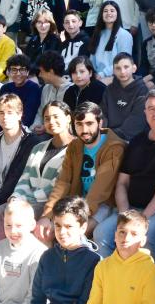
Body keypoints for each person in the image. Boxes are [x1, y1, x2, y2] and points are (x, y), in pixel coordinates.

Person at [96, 90, 155, 269]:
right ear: (145, 113)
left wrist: (143, 218)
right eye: (151, 108)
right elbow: (122, 182)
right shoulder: (137, 141)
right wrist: (125, 214)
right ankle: (112, 284)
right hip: (131, 209)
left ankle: (152, 292)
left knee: (146, 235)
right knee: (102, 233)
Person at [39, 102, 125, 241]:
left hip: (103, 203)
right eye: (79, 124)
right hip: (77, 201)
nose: (84, 130)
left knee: (76, 235)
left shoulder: (114, 148)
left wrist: (77, 217)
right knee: (49, 230)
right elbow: (63, 182)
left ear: (100, 122)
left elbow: (100, 190)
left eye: (89, 123)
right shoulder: (74, 146)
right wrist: (47, 214)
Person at [0, 94, 45, 237]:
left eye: (10, 112)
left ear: (19, 115)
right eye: (1, 113)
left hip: (15, 196)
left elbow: (18, 178)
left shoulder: (31, 142)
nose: (5, 117)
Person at [12, 101, 74, 223]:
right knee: (0, 211)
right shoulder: (38, 147)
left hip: (52, 204)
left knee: (18, 217)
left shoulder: (75, 149)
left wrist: (27, 200)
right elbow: (25, 177)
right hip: (27, 200)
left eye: (56, 117)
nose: (51, 122)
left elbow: (58, 185)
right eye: (47, 118)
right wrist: (16, 197)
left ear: (68, 118)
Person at [101, 53, 149, 141]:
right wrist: (103, 134)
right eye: (118, 68)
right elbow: (103, 114)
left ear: (134, 68)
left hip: (130, 139)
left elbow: (136, 122)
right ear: (114, 71)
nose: (122, 72)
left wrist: (110, 136)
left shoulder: (142, 91)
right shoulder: (109, 89)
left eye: (126, 67)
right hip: (107, 136)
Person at [0, 54, 41, 134]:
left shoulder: (33, 88)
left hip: (22, 131)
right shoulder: (5, 88)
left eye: (22, 69)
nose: (18, 73)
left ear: (28, 72)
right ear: (9, 72)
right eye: (14, 70)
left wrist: (8, 131)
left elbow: (27, 118)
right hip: (1, 129)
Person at [90, 1, 134, 80]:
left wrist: (103, 73)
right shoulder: (98, 33)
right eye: (105, 11)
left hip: (115, 76)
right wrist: (92, 73)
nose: (108, 13)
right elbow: (92, 58)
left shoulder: (124, 35)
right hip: (96, 75)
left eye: (112, 11)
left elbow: (124, 61)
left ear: (117, 14)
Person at [32, 51, 71, 133]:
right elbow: (40, 113)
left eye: (41, 71)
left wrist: (46, 128)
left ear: (51, 71)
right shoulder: (46, 88)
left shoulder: (70, 89)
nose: (39, 75)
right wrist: (34, 127)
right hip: (44, 131)